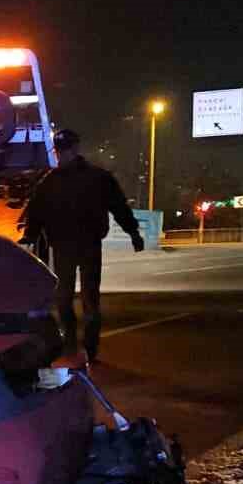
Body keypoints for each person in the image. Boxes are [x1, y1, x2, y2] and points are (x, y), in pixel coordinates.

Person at [19, 128, 143, 360]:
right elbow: (36, 212)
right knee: (69, 297)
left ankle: (86, 344)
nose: (61, 155)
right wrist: (29, 236)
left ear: (74, 150)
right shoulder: (80, 178)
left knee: (83, 298)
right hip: (71, 246)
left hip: (83, 245)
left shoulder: (75, 179)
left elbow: (119, 207)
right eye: (58, 151)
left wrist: (133, 232)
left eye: (63, 151)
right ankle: (77, 342)